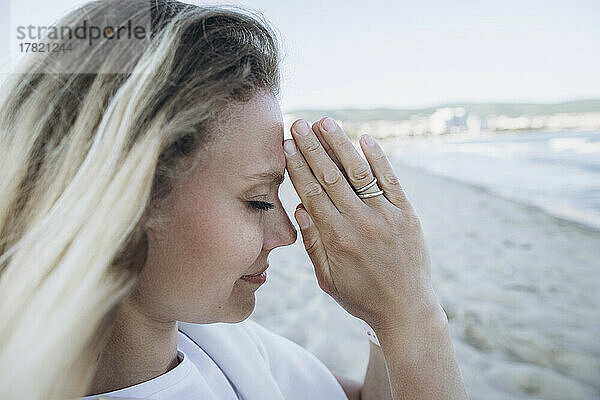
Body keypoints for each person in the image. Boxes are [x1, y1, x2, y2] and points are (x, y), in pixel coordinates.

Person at [0, 0, 468, 399]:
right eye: (258, 201)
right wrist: (415, 316)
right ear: (120, 205)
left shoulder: (208, 337)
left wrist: (387, 317)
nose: (286, 233)